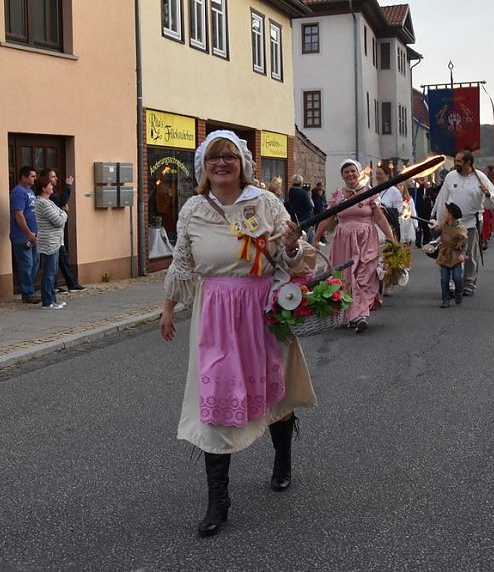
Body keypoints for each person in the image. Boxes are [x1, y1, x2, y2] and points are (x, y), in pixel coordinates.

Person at [159, 130, 317, 538]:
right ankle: (218, 499)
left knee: (276, 394)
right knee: (215, 399)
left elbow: (289, 255)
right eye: (214, 157)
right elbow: (182, 262)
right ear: (203, 167)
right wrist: (168, 309)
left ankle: (282, 458)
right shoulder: (193, 209)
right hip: (215, 315)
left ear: (243, 163)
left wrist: (294, 244)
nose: (222, 163)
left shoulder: (265, 202)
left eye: (229, 156)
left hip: (262, 310)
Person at [312, 159, 396, 333]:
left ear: (359, 173)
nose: (350, 174)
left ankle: (359, 313)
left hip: (366, 239)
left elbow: (379, 217)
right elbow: (327, 218)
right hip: (343, 240)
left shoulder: (369, 193)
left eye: (352, 171)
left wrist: (391, 238)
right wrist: (315, 239)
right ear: (342, 176)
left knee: (365, 274)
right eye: (346, 172)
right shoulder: (338, 195)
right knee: (346, 277)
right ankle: (354, 315)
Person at [432, 149, 494, 295]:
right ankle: (450, 285)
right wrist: (437, 220)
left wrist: (487, 194)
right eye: (455, 160)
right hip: (451, 224)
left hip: (471, 223)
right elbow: (442, 199)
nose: (455, 163)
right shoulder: (450, 177)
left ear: (468, 162)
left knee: (469, 255)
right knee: (448, 253)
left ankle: (468, 284)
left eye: (458, 161)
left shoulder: (480, 177)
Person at [44, 168, 85, 293]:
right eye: (53, 177)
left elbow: (60, 205)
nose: (56, 179)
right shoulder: (46, 198)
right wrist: (68, 186)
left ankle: (57, 285)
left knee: (58, 260)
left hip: (57, 234)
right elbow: (61, 203)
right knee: (59, 259)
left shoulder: (51, 195)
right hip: (53, 235)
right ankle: (68, 283)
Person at [33, 172, 68, 309]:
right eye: (49, 185)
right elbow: (59, 220)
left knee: (53, 272)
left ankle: (53, 299)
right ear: (43, 188)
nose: (52, 187)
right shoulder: (42, 203)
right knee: (49, 272)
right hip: (49, 242)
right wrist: (64, 213)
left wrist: (62, 212)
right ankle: (47, 302)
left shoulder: (50, 201)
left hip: (55, 241)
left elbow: (60, 212)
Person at [9, 166, 41, 304]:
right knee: (26, 264)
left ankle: (28, 289)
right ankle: (27, 293)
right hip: (22, 236)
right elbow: (19, 214)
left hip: (34, 235)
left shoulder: (30, 191)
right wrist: (28, 233)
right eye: (32, 176)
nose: (35, 178)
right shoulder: (19, 192)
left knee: (35, 262)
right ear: (23, 177)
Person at [434, 202, 467, 308]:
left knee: (457, 277)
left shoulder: (460, 228)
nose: (444, 214)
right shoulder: (443, 225)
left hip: (455, 256)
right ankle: (446, 299)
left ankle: (458, 291)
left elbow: (465, 243)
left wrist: (462, 254)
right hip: (444, 255)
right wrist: (433, 227)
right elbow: (436, 233)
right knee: (444, 278)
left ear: (451, 215)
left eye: (446, 212)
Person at [376, 164, 403, 240]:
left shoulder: (394, 191)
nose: (378, 176)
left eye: (380, 174)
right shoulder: (374, 190)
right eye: (377, 174)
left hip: (389, 227)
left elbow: (399, 211)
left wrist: (384, 209)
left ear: (387, 175)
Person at [286, 174, 315, 243]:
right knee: (308, 240)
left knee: (300, 239)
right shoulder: (303, 193)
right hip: (306, 218)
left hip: (296, 219)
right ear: (301, 182)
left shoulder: (291, 192)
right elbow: (309, 206)